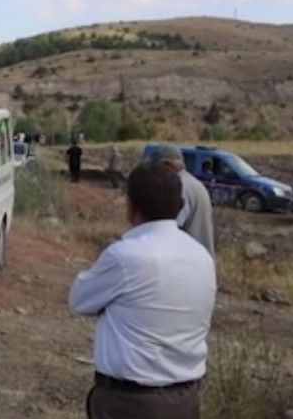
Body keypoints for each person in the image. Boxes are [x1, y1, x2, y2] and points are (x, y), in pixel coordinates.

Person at [69, 162, 216, 419]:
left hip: (130, 402)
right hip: (186, 399)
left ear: (131, 205)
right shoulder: (201, 256)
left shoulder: (126, 256)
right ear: (180, 205)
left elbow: (79, 300)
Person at [150, 144, 215, 255]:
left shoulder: (179, 187)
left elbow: (172, 228)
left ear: (167, 164)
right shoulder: (193, 183)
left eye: (157, 167)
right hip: (201, 259)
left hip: (187, 259)